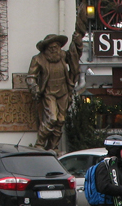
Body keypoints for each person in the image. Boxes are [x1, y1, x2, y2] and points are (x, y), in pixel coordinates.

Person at [27, 16, 86, 151]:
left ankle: (53, 146)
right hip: (49, 93)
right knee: (51, 118)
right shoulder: (38, 59)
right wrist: (34, 88)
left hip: (63, 91)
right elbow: (31, 77)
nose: (54, 50)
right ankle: (40, 144)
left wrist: (78, 43)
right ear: (46, 48)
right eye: (51, 47)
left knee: (61, 120)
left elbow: (75, 56)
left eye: (57, 47)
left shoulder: (63, 56)